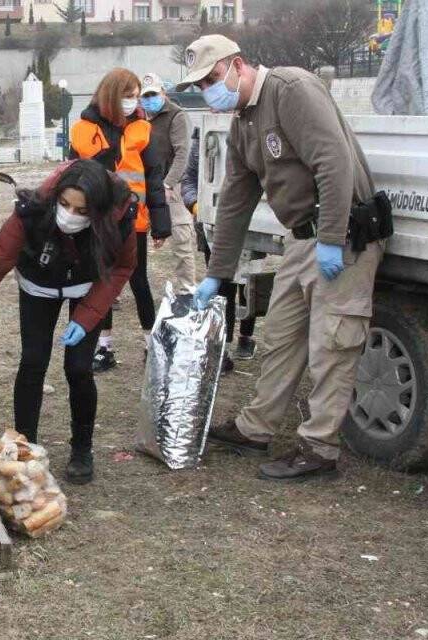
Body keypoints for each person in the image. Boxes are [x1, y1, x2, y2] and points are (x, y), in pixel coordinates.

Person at [180, 34, 387, 481]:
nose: (208, 91)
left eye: (212, 78)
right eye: (199, 85)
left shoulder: (291, 90)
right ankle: (257, 427)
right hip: (301, 238)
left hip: (344, 232)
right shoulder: (243, 122)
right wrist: (217, 274)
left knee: (332, 342)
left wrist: (331, 237)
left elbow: (333, 162)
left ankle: (319, 448)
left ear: (237, 66)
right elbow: (235, 200)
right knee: (280, 335)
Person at [0, 160, 139, 484]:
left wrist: (88, 313)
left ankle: (82, 449)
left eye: (81, 210)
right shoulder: (30, 212)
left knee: (79, 368)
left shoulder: (118, 218)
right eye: (64, 205)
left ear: (99, 209)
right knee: (33, 362)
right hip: (38, 284)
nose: (69, 215)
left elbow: (122, 267)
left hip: (88, 286)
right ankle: (25, 448)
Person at [69, 68, 172, 373]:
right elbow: (71, 176)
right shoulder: (85, 129)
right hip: (98, 220)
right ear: (112, 94)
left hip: (134, 221)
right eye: (128, 96)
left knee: (138, 282)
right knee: (101, 282)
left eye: (136, 96)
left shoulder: (142, 129)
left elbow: (154, 178)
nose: (133, 102)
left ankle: (151, 344)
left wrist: (160, 223)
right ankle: (104, 348)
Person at [181, 125, 257, 371]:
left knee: (246, 285)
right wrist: (196, 205)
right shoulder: (202, 139)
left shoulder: (248, 131)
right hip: (212, 226)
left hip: (247, 224)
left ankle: (246, 336)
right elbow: (189, 181)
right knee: (222, 288)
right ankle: (221, 348)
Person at [139, 72, 197, 290]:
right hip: (143, 183)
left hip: (171, 184)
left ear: (163, 92)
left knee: (181, 238)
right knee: (130, 237)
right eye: (145, 96)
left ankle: (187, 288)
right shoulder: (140, 117)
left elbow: (183, 153)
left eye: (153, 94)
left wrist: (168, 183)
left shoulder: (177, 116)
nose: (149, 99)